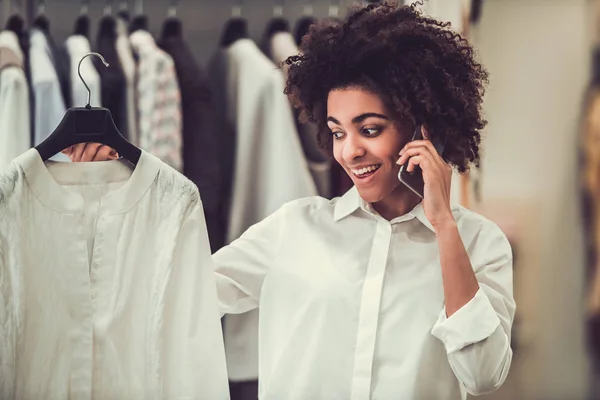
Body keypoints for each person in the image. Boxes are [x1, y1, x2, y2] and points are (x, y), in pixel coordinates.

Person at [64, 1, 515, 399]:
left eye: (370, 129)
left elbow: (482, 376)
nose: (349, 151)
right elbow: (171, 290)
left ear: (422, 128)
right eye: (338, 132)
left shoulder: (480, 244)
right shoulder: (293, 227)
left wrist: (444, 227)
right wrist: (115, 184)